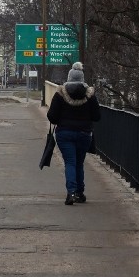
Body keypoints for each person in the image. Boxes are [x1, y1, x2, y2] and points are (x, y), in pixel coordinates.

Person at [46, 62, 101, 205]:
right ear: (82, 78)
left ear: (69, 77)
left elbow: (52, 116)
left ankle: (71, 193)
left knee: (70, 162)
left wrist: (62, 118)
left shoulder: (60, 93)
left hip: (64, 133)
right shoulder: (90, 95)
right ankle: (80, 192)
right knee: (79, 163)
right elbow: (97, 116)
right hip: (84, 134)